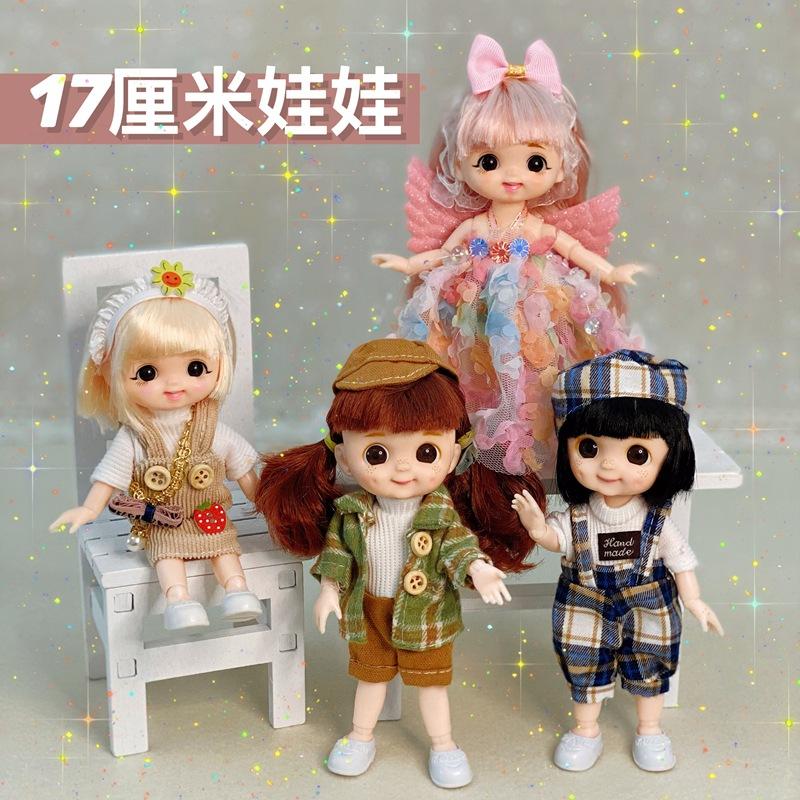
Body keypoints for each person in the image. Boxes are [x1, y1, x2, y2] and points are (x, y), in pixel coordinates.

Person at [256, 338, 544, 788]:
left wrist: (479, 568)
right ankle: (361, 736)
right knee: (371, 679)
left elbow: (456, 546)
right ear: (343, 454)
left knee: (431, 683)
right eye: (378, 454)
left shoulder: (439, 511)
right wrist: (329, 591)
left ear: (453, 454)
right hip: (368, 610)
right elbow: (338, 555)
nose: (403, 469)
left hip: (427, 614)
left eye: (427, 452)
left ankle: (443, 744)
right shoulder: (352, 512)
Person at [512, 349, 724, 772]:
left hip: (649, 598)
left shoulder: (655, 520)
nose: (609, 465)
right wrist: (537, 529)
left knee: (650, 659)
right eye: (589, 448)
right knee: (583, 660)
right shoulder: (578, 516)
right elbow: (558, 538)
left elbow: (679, 558)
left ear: (670, 455)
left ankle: (650, 729)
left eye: (637, 454)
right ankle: (585, 730)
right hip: (584, 598)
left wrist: (694, 600)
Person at [50, 262, 262, 631]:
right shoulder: (137, 435)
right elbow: (111, 474)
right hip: (164, 520)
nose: (174, 385)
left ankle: (238, 590)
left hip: (210, 514)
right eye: (148, 373)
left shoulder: (211, 428)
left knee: (225, 547)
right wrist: (89, 508)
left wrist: (265, 502)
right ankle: (178, 600)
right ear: (114, 375)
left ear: (219, 363)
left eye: (195, 368)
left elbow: (242, 465)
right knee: (166, 555)